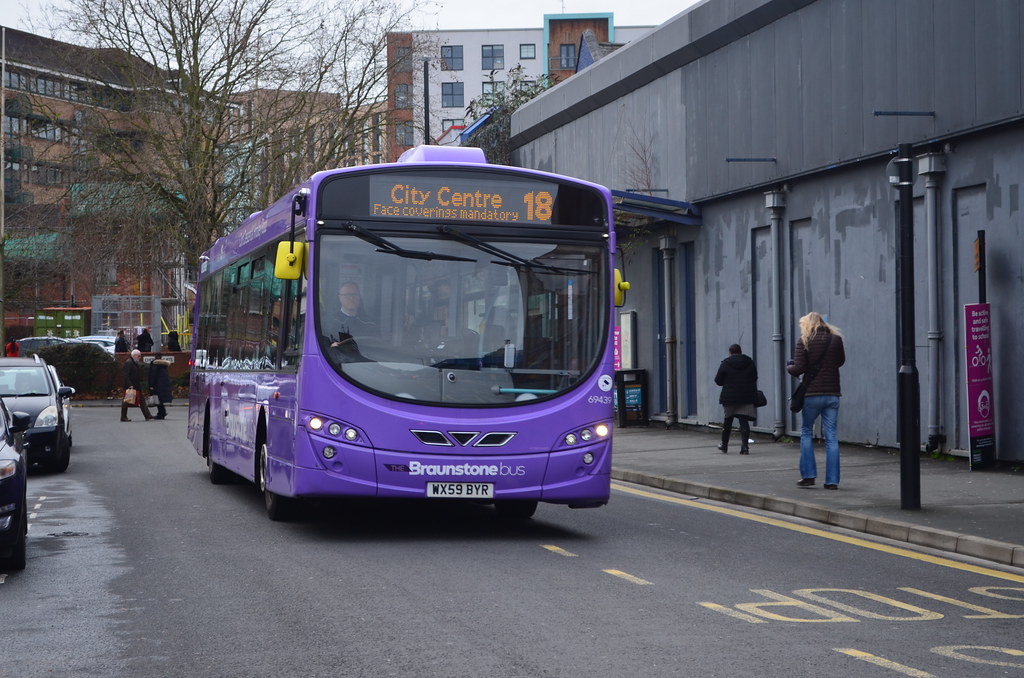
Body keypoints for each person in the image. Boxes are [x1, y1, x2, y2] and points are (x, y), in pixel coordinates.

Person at [787, 312, 846, 489]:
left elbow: (799, 369)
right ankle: (832, 480)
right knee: (832, 437)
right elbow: (840, 361)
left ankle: (809, 475)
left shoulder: (804, 341)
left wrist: (789, 366)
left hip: (811, 393)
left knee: (806, 432)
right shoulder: (835, 340)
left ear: (806, 324)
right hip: (832, 394)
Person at [714, 343, 758, 454]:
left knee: (728, 421)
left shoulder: (725, 363)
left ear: (730, 352)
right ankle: (745, 447)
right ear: (741, 351)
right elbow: (754, 377)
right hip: (746, 396)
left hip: (730, 398)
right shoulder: (750, 362)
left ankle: (724, 445)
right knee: (744, 422)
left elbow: (718, 380)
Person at [121, 349, 154, 422]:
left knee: (142, 401)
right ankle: (123, 417)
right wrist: (130, 384)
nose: (140, 357)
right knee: (126, 401)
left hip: (135, 385)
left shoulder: (133, 362)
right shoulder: (129, 363)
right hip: (131, 385)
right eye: (138, 356)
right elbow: (126, 375)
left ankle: (147, 415)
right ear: (134, 355)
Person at [147, 352, 172, 419]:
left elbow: (153, 375)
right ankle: (162, 413)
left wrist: (151, 385)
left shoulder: (155, 364)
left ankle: (161, 413)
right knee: (160, 400)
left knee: (158, 400)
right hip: (163, 385)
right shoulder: (163, 365)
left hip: (157, 385)